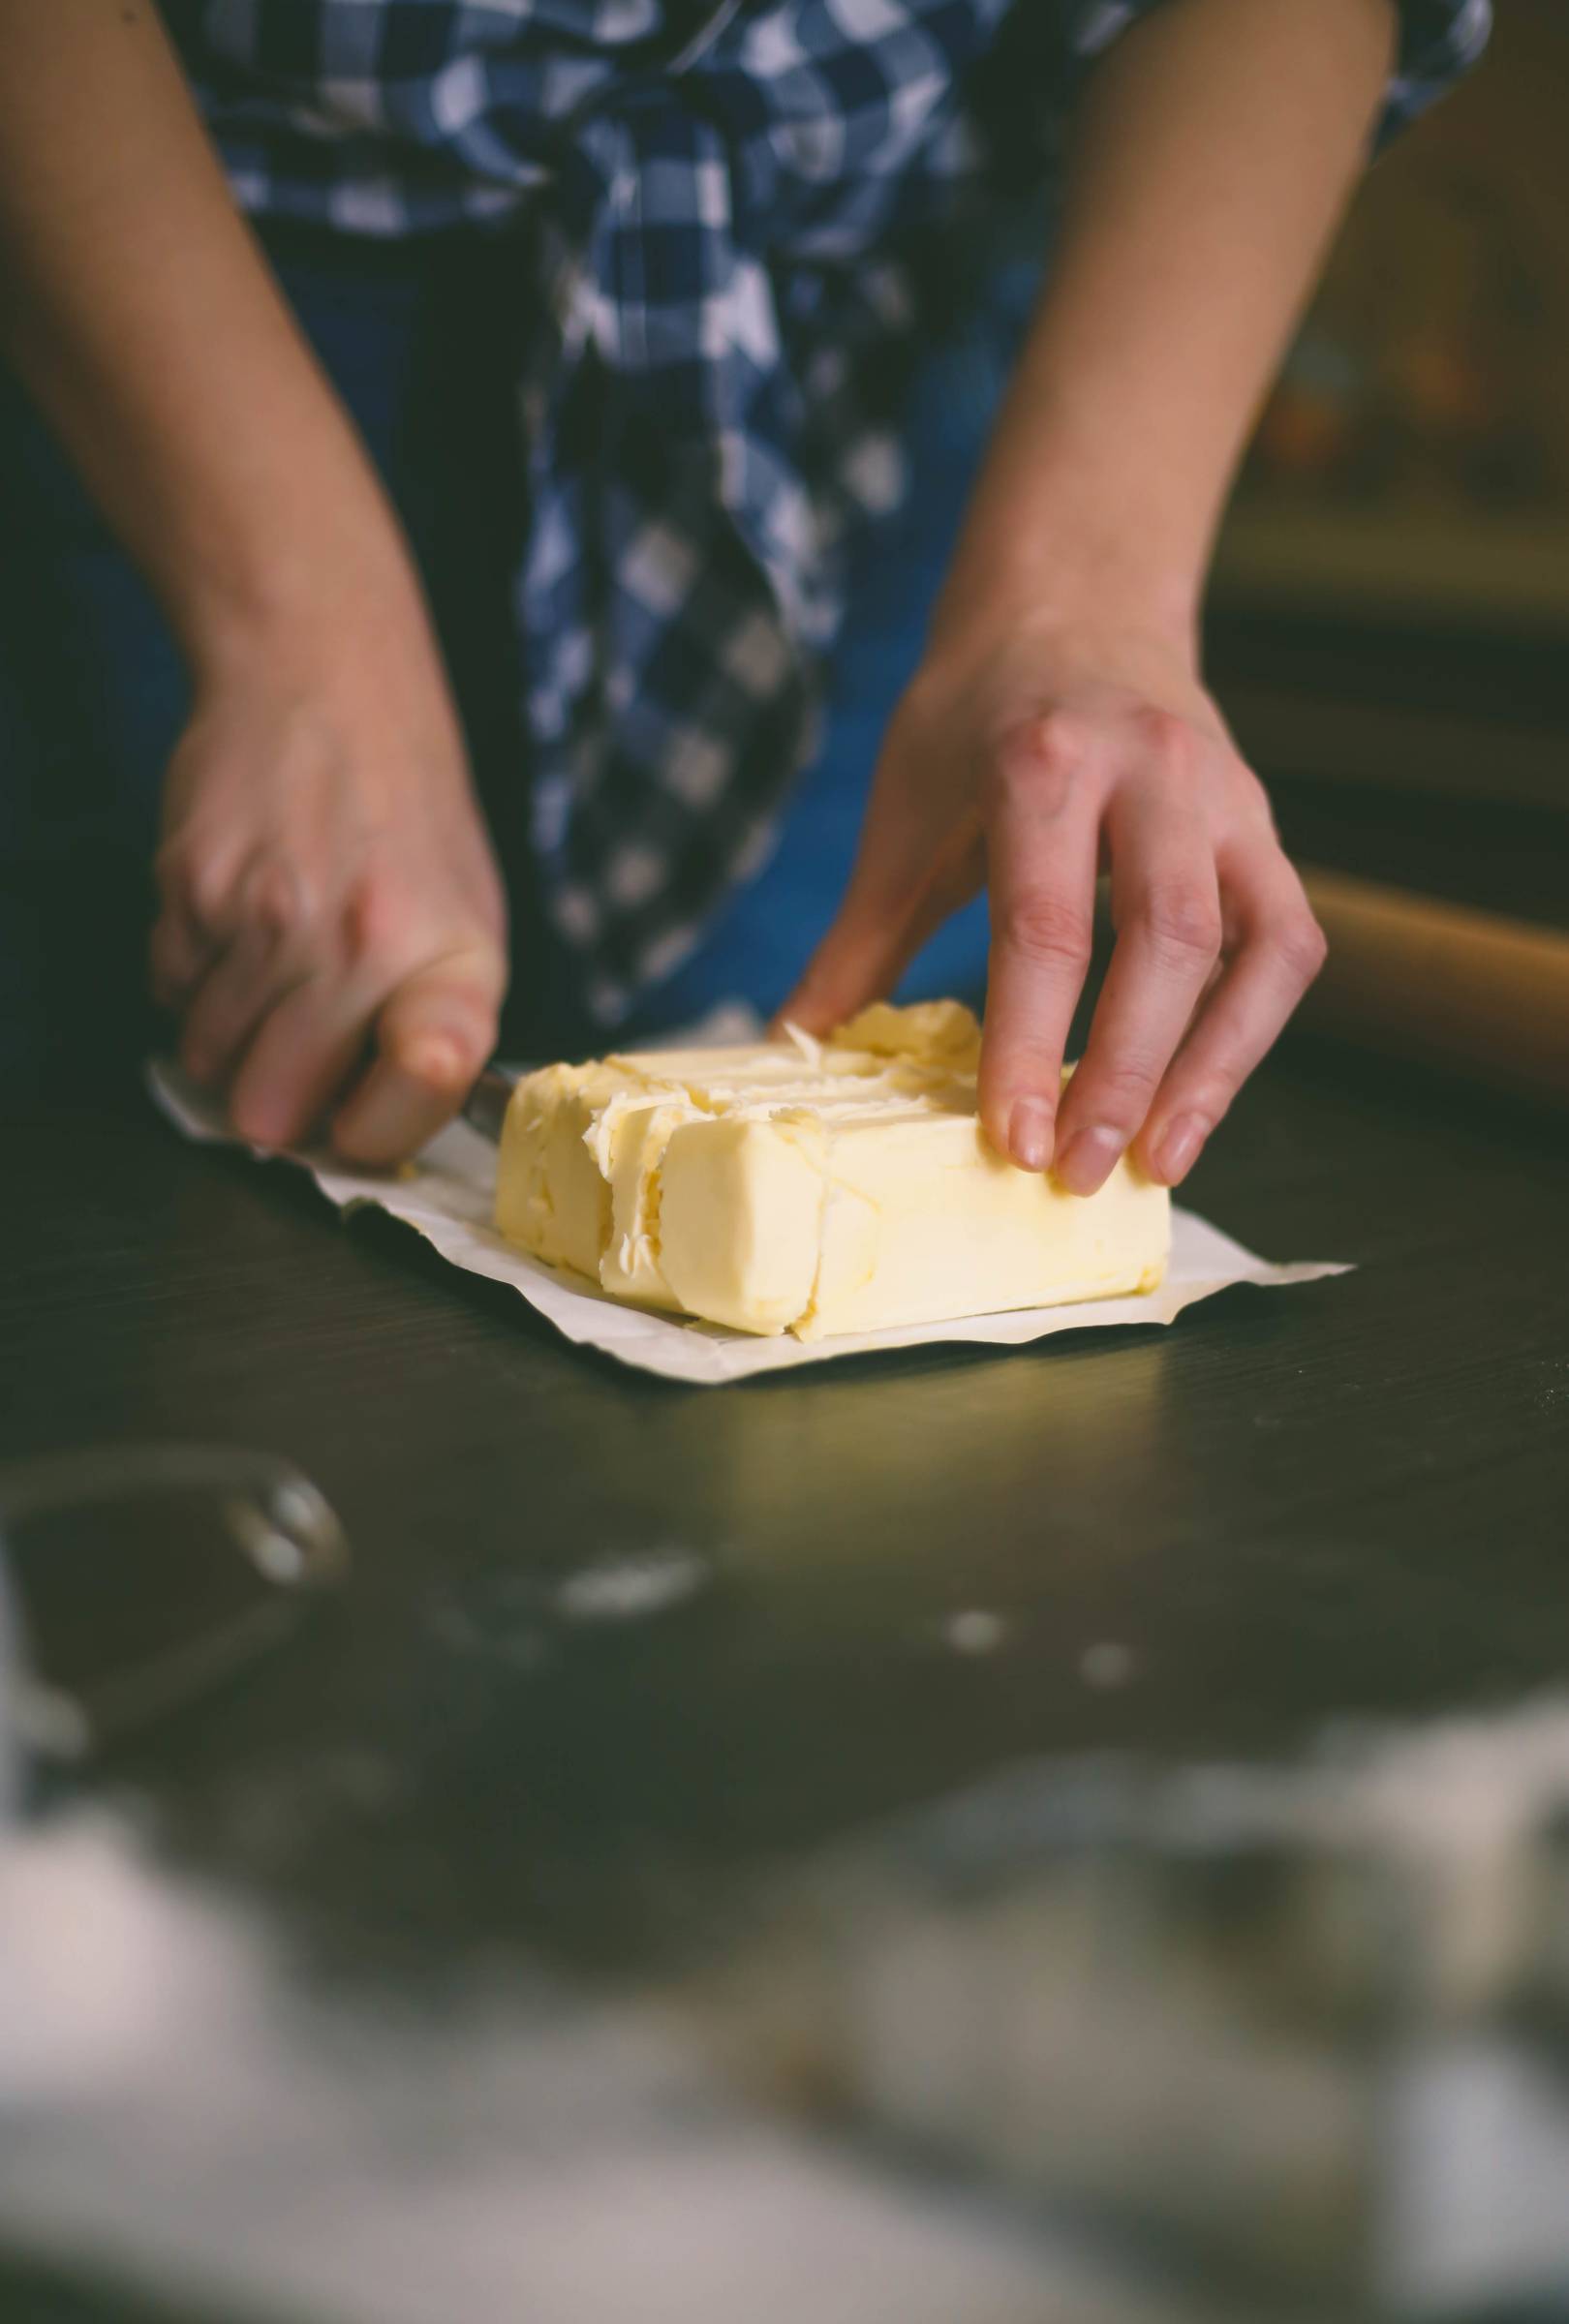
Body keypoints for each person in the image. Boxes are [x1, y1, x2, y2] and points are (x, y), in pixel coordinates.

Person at [0, 0, 1487, 1184]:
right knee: (143, 1170)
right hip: (196, 260)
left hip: (899, 317)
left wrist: (1088, 598)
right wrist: (297, 618)